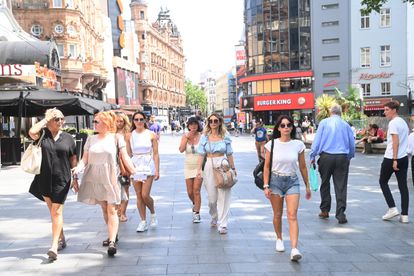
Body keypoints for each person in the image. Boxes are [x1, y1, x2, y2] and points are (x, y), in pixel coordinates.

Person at [72, 111, 136, 257]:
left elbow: (124, 156)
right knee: (104, 208)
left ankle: (112, 241)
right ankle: (112, 233)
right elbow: (85, 159)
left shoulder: (117, 137)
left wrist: (134, 171)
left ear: (107, 123)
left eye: (97, 121)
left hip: (111, 177)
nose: (94, 124)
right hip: (95, 178)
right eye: (94, 121)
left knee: (112, 209)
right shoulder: (90, 139)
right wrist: (78, 168)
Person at [28, 108, 77, 261]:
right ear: (49, 120)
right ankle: (62, 237)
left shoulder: (68, 138)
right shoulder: (42, 135)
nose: (61, 122)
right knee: (53, 211)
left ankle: (54, 246)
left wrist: (75, 178)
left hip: (62, 179)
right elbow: (31, 131)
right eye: (57, 119)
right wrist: (45, 119)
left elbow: (73, 158)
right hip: (43, 178)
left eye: (62, 119)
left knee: (56, 212)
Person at [262, 115, 311, 261]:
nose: (286, 128)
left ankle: (295, 249)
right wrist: (265, 185)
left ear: (292, 127)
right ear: (278, 128)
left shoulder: (298, 145)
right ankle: (279, 238)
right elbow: (266, 167)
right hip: (275, 181)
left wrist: (307, 185)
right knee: (277, 214)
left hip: (292, 181)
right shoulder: (271, 144)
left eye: (288, 125)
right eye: (282, 125)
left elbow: (302, 167)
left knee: (292, 215)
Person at [310, 105, 355, 224]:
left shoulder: (324, 123)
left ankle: (325, 210)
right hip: (341, 157)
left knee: (325, 183)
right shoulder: (346, 125)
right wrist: (349, 156)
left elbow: (317, 140)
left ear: (330, 112)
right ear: (340, 113)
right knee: (341, 186)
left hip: (326, 156)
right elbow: (351, 144)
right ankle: (340, 214)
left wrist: (313, 155)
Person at [196, 113, 236, 234]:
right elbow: (201, 155)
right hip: (209, 164)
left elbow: (229, 153)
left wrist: (233, 168)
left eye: (216, 121)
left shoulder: (225, 136)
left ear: (220, 122)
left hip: (223, 164)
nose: (213, 123)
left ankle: (223, 224)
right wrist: (198, 169)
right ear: (208, 122)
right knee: (212, 198)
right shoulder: (205, 137)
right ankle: (214, 216)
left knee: (224, 195)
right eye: (211, 121)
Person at [127, 111, 160, 232]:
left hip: (147, 164)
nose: (139, 122)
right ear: (133, 121)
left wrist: (157, 170)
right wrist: (127, 168)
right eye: (136, 119)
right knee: (139, 195)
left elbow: (156, 154)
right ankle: (143, 221)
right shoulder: (129, 135)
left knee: (145, 195)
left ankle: (153, 213)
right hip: (135, 165)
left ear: (145, 120)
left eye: (141, 119)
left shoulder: (151, 134)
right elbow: (128, 153)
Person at [379, 101, 409, 223]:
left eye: (387, 110)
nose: (385, 112)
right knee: (403, 186)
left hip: (392, 157)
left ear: (394, 110)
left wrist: (395, 160)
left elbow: (395, 141)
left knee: (383, 181)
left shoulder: (393, 123)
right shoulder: (403, 122)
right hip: (404, 157)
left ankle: (392, 208)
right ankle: (405, 215)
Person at [179, 117, 203, 223]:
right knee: (190, 192)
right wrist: (186, 138)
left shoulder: (202, 137)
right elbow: (181, 150)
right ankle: (195, 204)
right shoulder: (185, 136)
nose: (193, 126)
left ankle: (197, 213)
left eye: (195, 124)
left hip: (199, 167)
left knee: (196, 190)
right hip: (188, 166)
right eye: (191, 124)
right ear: (188, 126)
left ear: (198, 126)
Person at [116, 112, 132, 222]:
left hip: (124, 164)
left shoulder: (127, 134)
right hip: (112, 164)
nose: (119, 123)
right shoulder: (110, 133)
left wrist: (126, 166)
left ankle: (123, 212)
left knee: (125, 188)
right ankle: (117, 209)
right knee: (114, 189)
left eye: (121, 121)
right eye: (117, 121)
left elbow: (128, 152)